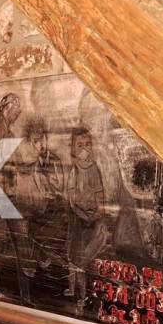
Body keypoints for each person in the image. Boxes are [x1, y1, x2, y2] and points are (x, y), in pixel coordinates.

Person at [0, 93, 36, 305]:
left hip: (10, 194)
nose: (17, 112)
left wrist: (34, 161)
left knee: (20, 244)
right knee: (3, 243)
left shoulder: (10, 134)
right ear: (5, 107)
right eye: (15, 107)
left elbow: (18, 165)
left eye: (19, 109)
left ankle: (26, 297)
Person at [65, 128, 107, 314]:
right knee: (73, 258)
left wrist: (98, 211)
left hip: (92, 219)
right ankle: (73, 290)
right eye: (79, 145)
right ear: (73, 149)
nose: (84, 149)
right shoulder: (74, 171)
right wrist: (81, 213)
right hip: (78, 219)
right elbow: (72, 199)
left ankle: (82, 296)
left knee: (81, 261)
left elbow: (99, 193)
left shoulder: (94, 169)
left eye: (87, 144)